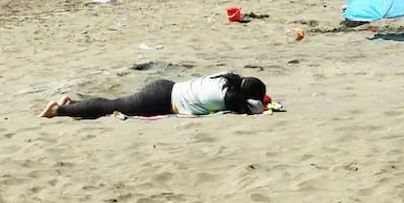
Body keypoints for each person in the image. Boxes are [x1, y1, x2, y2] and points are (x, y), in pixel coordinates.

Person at [40, 73, 268, 119]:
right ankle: (59, 110)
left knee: (114, 103)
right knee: (109, 107)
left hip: (166, 87)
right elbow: (255, 110)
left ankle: (71, 104)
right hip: (162, 100)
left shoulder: (225, 79)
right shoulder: (230, 99)